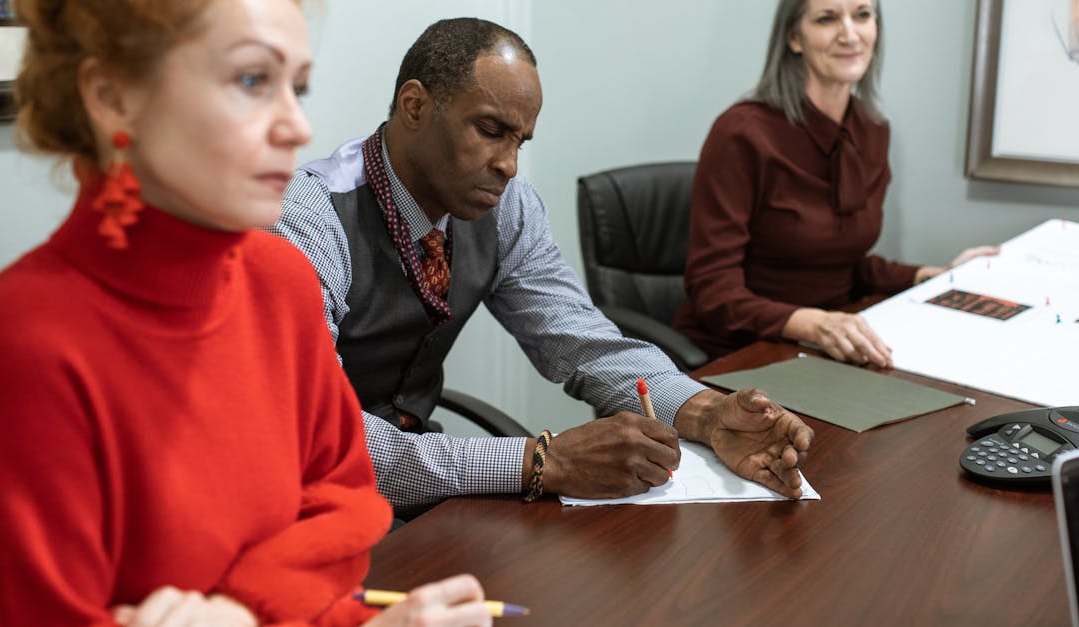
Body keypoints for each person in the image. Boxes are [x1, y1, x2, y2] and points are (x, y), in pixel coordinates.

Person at [0, 1, 490, 625]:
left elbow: (344, 508)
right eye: (252, 80)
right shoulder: (23, 343)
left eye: (298, 87)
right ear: (114, 96)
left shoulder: (280, 283)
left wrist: (242, 615)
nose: (296, 126)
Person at [275, 18, 814, 518]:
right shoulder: (308, 220)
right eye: (490, 130)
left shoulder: (505, 205)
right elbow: (311, 437)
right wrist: (540, 461)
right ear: (414, 106)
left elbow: (580, 340)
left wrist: (704, 414)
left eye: (519, 141)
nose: (508, 164)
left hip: (421, 499)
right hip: (303, 502)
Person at [672, 0, 996, 369]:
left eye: (862, 15)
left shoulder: (872, 129)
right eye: (827, 18)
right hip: (738, 352)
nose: (850, 34)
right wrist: (816, 324)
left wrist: (930, 276)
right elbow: (712, 291)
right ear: (794, 37)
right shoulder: (742, 133)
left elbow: (841, 262)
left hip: (828, 344)